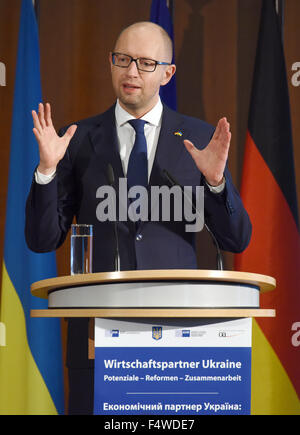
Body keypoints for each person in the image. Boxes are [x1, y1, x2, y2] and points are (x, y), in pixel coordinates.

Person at [25, 22, 251, 414]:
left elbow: (236, 240)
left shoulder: (198, 140)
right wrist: (46, 171)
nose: (131, 72)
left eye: (146, 63)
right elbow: (42, 239)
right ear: (111, 63)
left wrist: (216, 184)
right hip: (98, 337)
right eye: (123, 59)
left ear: (168, 73)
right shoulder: (76, 140)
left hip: (179, 343)